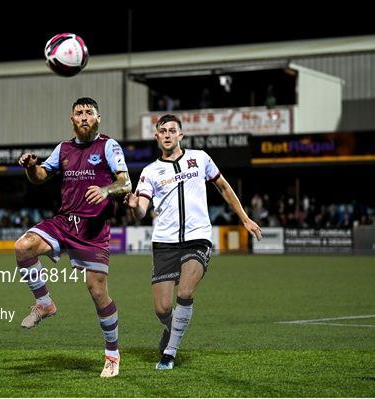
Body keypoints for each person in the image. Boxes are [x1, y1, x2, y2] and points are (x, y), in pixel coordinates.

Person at [125, 114, 262, 370]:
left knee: (185, 292)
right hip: (164, 242)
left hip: (197, 238)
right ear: (157, 137)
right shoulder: (149, 172)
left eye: (172, 130)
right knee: (162, 308)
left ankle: (170, 353)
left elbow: (223, 187)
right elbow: (142, 209)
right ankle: (171, 328)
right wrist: (134, 207)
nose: (167, 134)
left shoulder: (199, 158)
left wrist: (244, 218)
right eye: (162, 131)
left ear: (181, 135)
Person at [15, 97, 132, 378]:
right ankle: (44, 303)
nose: (83, 117)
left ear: (98, 118)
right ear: (71, 119)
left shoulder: (108, 145)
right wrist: (31, 166)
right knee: (23, 247)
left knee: (97, 292)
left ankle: (112, 354)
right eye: (78, 113)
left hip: (93, 230)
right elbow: (41, 176)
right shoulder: (63, 148)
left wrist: (106, 191)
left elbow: (125, 181)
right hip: (65, 222)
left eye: (89, 113)